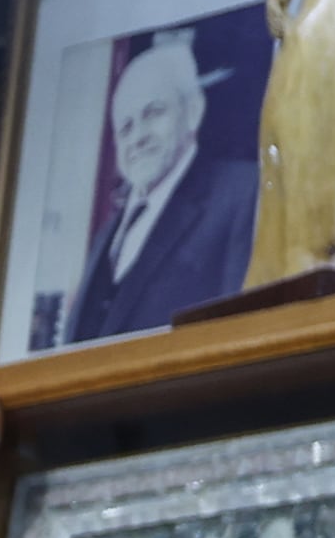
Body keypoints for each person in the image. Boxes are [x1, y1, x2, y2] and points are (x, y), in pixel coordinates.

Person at [59, 29, 259, 345]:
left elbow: (242, 331)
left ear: (193, 111)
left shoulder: (243, 193)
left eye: (153, 113)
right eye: (125, 127)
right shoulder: (106, 236)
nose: (138, 137)